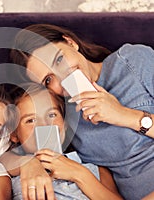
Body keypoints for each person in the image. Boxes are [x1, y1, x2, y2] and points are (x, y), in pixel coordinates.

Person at [9, 23, 154, 199]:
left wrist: (123, 115)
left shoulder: (133, 60)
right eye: (48, 80)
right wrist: (28, 163)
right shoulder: (62, 115)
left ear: (70, 43)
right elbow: (2, 152)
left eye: (59, 60)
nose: (62, 77)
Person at [1, 82, 121, 200]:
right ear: (14, 134)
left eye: (52, 115)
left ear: (64, 124)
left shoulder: (96, 171)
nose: (44, 125)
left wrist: (80, 174)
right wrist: (26, 163)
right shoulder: (9, 171)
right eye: (30, 120)